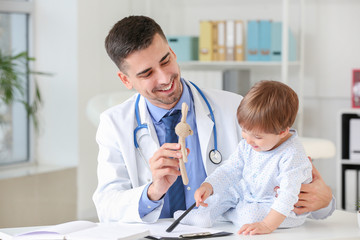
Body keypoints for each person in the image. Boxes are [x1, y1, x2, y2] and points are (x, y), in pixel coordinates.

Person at [92, 15, 335, 223]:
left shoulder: (235, 108)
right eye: (146, 73)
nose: (165, 78)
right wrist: (153, 191)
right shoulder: (114, 124)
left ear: (173, 52)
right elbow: (105, 207)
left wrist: (323, 201)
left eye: (166, 60)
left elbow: (292, 186)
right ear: (126, 80)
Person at [175, 80, 315, 235]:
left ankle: (226, 214)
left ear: (282, 132)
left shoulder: (292, 155)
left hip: (279, 208)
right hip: (248, 194)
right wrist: (208, 185)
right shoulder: (249, 144)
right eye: (244, 131)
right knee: (221, 193)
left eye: (257, 136)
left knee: (250, 215)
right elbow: (230, 170)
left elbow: (287, 197)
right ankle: (203, 216)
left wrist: (267, 226)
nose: (247, 140)